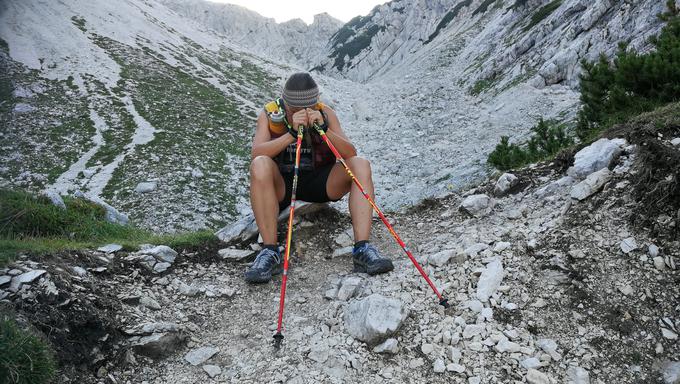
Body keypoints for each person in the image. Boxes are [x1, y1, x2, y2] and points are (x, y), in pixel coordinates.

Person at [244, 72, 394, 283]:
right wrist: (291, 135)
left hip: (321, 181)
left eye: (308, 109)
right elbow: (257, 152)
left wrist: (324, 128)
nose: (302, 114)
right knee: (260, 164)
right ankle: (270, 250)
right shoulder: (270, 114)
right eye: (295, 110)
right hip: (282, 185)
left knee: (361, 164)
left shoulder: (326, 113)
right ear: (286, 105)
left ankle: (362, 248)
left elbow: (349, 152)